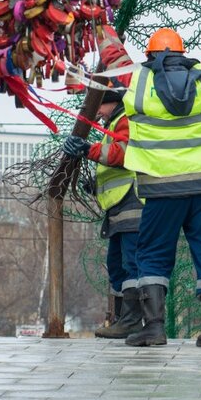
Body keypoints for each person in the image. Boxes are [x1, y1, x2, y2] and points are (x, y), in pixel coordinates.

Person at [94, 10, 201, 348]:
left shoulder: (137, 79)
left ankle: (154, 329)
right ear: (182, 54)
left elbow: (112, 54)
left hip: (160, 188)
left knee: (153, 256)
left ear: (150, 56)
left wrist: (99, 17)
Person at [63, 81, 144, 339]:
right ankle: (124, 319)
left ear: (111, 99)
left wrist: (88, 149)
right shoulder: (114, 122)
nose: (97, 112)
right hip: (119, 206)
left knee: (131, 264)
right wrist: (96, 184)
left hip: (132, 204)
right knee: (117, 264)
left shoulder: (126, 118)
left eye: (99, 105)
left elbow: (123, 154)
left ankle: (132, 320)